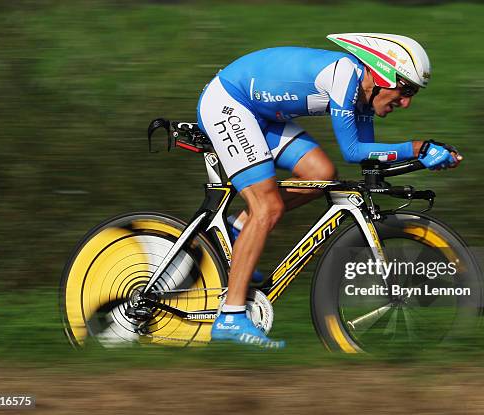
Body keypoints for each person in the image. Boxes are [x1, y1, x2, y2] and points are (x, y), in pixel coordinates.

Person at [196, 33, 462, 348]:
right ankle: (231, 316)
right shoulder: (344, 78)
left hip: (261, 116)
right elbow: (352, 150)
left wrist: (421, 158)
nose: (406, 102)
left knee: (320, 174)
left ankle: (239, 229)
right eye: (405, 90)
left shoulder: (364, 95)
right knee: (267, 207)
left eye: (413, 94)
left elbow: (366, 156)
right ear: (381, 74)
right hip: (229, 103)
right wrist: (418, 148)